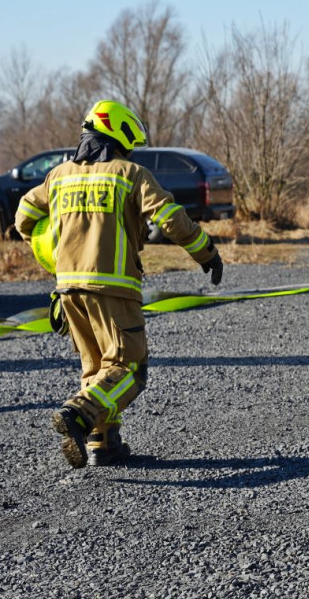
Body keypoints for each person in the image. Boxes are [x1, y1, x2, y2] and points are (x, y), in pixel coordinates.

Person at [15, 100, 223, 468]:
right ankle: (78, 413)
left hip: (68, 290)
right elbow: (170, 218)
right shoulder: (130, 174)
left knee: (96, 368)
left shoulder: (58, 176)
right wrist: (206, 251)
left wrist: (52, 254)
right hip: (112, 287)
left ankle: (102, 443)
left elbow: (24, 218)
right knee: (129, 368)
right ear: (119, 135)